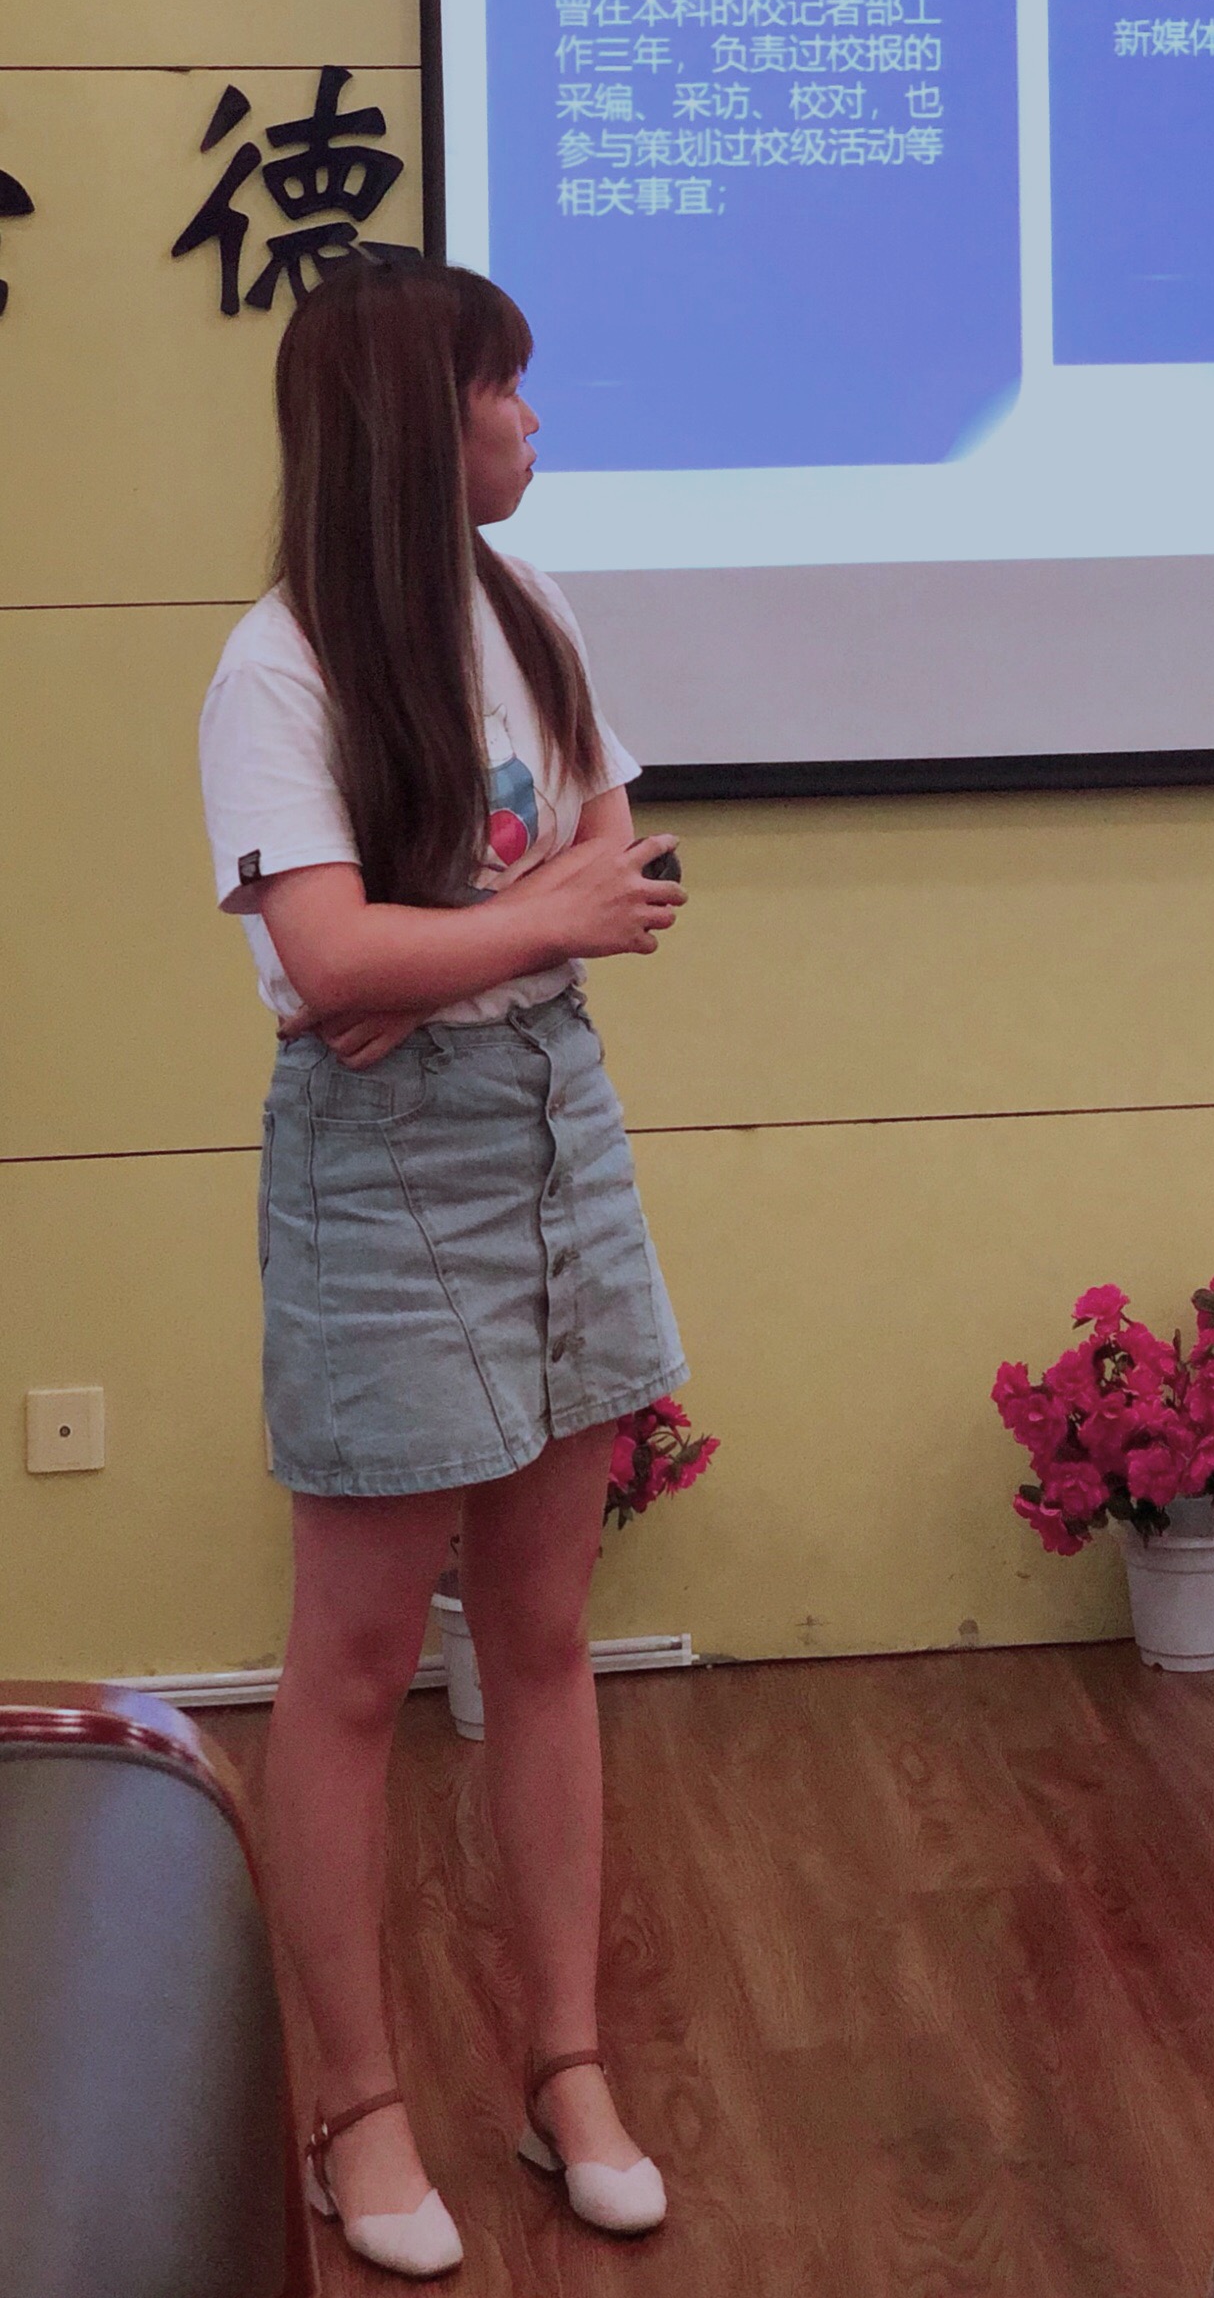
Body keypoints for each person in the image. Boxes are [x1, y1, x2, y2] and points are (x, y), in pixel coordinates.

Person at [198, 258, 689, 2279]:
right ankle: (355, 2110)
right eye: (507, 390)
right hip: (384, 1163)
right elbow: (331, 962)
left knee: (545, 1632)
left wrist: (442, 940)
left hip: (552, 1121)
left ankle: (565, 2067)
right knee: (351, 1664)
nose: (532, 422)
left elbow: (627, 873)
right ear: (424, 418)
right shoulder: (278, 668)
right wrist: (482, 929)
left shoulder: (526, 609)